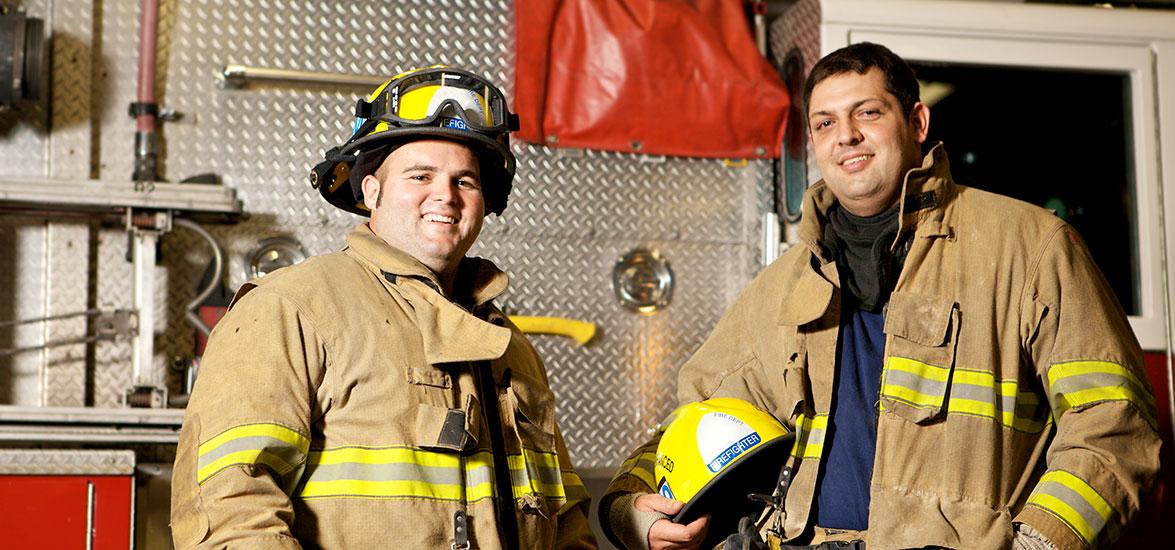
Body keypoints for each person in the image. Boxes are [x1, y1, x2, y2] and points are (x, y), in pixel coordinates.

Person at [599, 43, 1161, 550]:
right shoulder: (783, 285)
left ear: (916, 121)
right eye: (825, 123)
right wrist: (633, 513)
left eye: (867, 112)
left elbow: (1113, 425)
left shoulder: (1030, 248)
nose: (846, 135)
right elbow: (699, 423)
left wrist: (1039, 543)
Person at [170, 66, 597, 549]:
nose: (446, 195)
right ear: (370, 190)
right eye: (420, 175)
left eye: (466, 181)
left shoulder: (507, 345)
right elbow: (231, 513)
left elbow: (565, 520)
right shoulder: (291, 309)